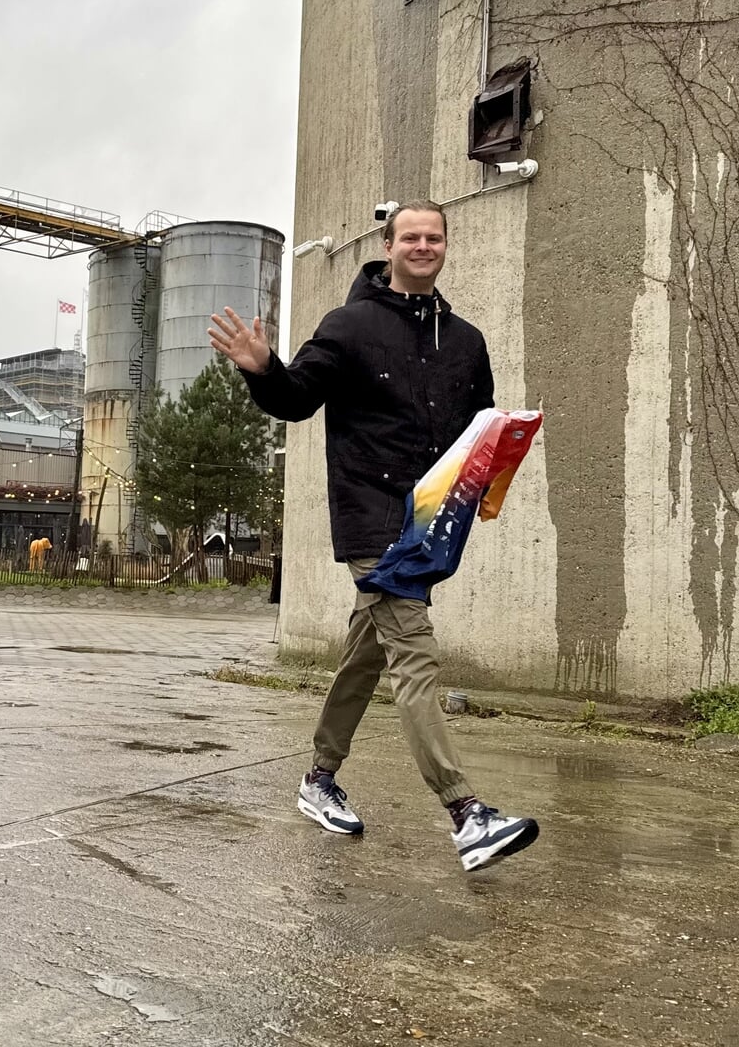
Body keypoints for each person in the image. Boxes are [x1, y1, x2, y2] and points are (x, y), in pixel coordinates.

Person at [207, 199, 539, 872]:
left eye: (433, 236)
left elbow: (477, 428)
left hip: (431, 520)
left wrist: (498, 463)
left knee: (366, 652)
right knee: (413, 657)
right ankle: (465, 813)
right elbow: (296, 397)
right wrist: (259, 367)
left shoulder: (466, 338)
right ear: (387, 246)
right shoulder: (349, 325)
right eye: (409, 236)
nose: (422, 245)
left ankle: (318, 778)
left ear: (444, 246)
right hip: (370, 517)